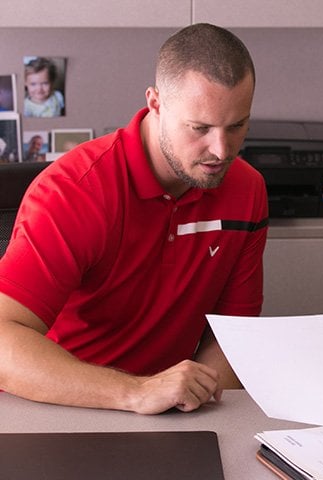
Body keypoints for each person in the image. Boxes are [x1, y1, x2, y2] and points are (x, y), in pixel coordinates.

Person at [0, 24, 268, 415]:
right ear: (155, 103)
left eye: (237, 126)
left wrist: (193, 404)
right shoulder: (74, 191)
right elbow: (4, 339)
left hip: (167, 412)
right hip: (63, 406)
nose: (221, 150)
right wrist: (136, 393)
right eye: (200, 128)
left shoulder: (246, 190)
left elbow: (233, 336)